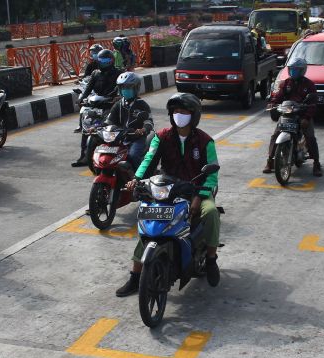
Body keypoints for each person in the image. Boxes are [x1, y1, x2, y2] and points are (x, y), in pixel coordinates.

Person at [116, 93, 221, 297]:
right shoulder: (161, 136)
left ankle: (211, 259)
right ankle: (136, 277)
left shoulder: (205, 141)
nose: (179, 115)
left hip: (195, 189)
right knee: (149, 225)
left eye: (184, 111)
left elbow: (212, 175)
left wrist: (200, 196)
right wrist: (137, 179)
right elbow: (149, 159)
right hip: (166, 189)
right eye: (175, 111)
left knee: (210, 214)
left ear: (194, 115)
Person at [263, 58, 322, 177]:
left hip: (302, 114)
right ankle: (270, 161)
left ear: (302, 70)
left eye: (295, 70)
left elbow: (313, 103)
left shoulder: (309, 85)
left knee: (310, 136)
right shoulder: (286, 83)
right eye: (291, 69)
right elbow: (279, 97)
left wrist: (307, 117)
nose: (292, 72)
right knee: (275, 135)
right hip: (287, 113)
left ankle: (316, 163)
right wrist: (273, 103)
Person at [72, 49, 122, 167]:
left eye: (107, 60)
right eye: (102, 60)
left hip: (111, 105)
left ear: (112, 61)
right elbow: (88, 89)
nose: (104, 63)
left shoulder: (118, 73)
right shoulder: (95, 73)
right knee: (86, 130)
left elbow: (122, 88)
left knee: (109, 129)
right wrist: (81, 99)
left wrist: (117, 98)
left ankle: (112, 155)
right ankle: (84, 157)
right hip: (96, 104)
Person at [104, 72, 153, 169]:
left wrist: (143, 130)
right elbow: (108, 122)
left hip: (136, 138)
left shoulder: (142, 105)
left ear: (136, 88)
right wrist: (96, 128)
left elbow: (149, 122)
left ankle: (137, 179)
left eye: (128, 87)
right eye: (122, 87)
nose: (125, 90)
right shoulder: (118, 105)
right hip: (119, 138)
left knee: (133, 156)